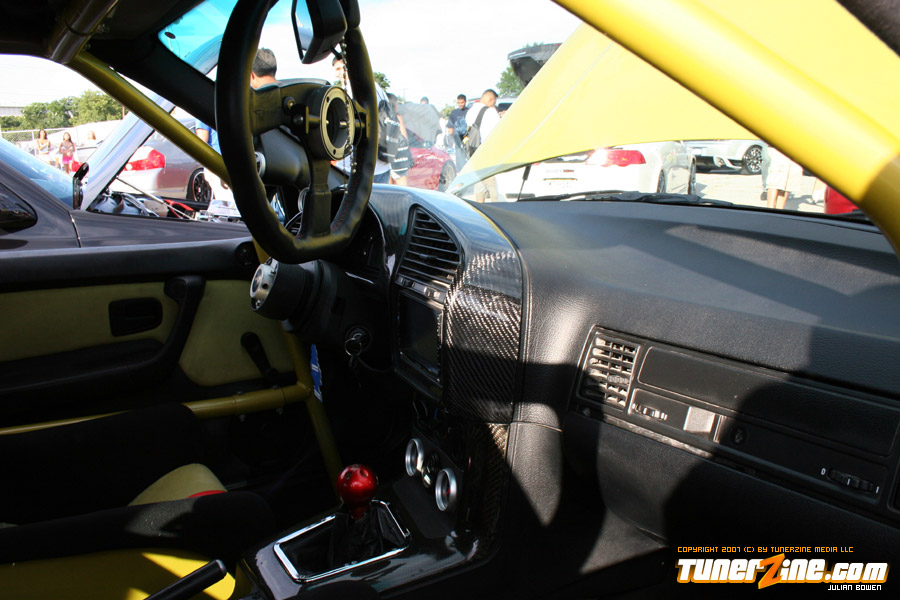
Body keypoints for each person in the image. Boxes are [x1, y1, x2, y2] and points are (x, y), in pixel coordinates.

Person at [332, 55, 393, 184]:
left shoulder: (351, 88)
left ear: (349, 67)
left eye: (340, 69)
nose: (338, 74)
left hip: (356, 167)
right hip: (382, 162)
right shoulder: (377, 88)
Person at [464, 89, 501, 202]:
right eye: (494, 102)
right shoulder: (490, 111)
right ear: (490, 99)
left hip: (474, 150)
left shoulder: (471, 111)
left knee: (479, 180)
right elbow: (497, 130)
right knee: (492, 183)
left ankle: (479, 207)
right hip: (487, 150)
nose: (494, 104)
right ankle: (497, 206)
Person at [447, 94, 468, 170]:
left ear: (465, 102)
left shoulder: (469, 111)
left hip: (467, 138)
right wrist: (451, 138)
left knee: (468, 156)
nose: (460, 104)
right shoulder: (454, 113)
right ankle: (460, 171)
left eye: (462, 102)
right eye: (459, 103)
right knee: (459, 158)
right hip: (457, 139)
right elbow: (450, 128)